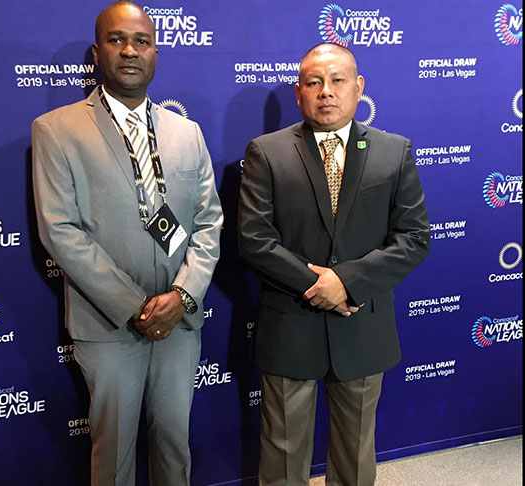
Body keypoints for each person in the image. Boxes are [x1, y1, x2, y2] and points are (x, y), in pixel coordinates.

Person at [31, 2, 223, 485]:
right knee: (112, 453)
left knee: (174, 446)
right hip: (110, 324)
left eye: (141, 41)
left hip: (179, 323)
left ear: (155, 52)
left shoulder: (187, 131)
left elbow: (209, 222)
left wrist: (181, 297)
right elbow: (60, 230)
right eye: (117, 40)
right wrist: (136, 305)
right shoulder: (56, 130)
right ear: (98, 52)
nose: (130, 51)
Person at [237, 42, 430, 486]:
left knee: (356, 453)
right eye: (314, 82)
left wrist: (346, 282)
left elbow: (415, 238)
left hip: (362, 324)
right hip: (290, 325)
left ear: (358, 87)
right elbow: (254, 240)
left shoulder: (393, 151)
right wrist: (319, 286)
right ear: (299, 92)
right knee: (282, 456)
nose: (326, 91)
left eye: (337, 80)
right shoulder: (266, 152)